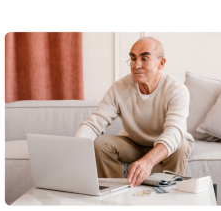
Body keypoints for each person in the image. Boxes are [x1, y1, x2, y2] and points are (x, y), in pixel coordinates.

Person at [74, 36, 194, 188]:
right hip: (134, 143)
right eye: (133, 58)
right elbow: (95, 122)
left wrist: (148, 161)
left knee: (181, 146)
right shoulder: (120, 88)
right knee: (100, 143)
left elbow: (174, 132)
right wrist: (75, 150)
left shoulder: (176, 90)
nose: (136, 65)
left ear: (161, 63)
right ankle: (116, 194)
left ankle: (167, 198)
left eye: (144, 58)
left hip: (166, 145)